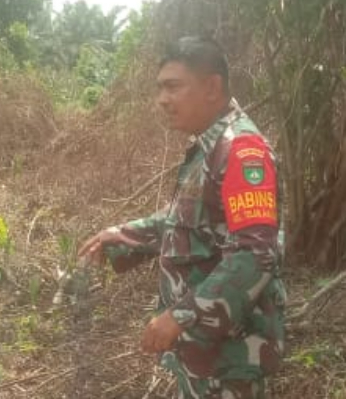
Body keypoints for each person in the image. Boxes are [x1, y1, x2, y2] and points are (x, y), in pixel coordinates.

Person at [78, 37, 285, 398]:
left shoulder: (241, 151)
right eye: (159, 88)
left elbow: (255, 254)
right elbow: (186, 221)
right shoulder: (209, 146)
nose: (162, 100)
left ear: (211, 87)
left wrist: (181, 316)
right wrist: (123, 234)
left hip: (231, 356)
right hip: (206, 352)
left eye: (173, 87)